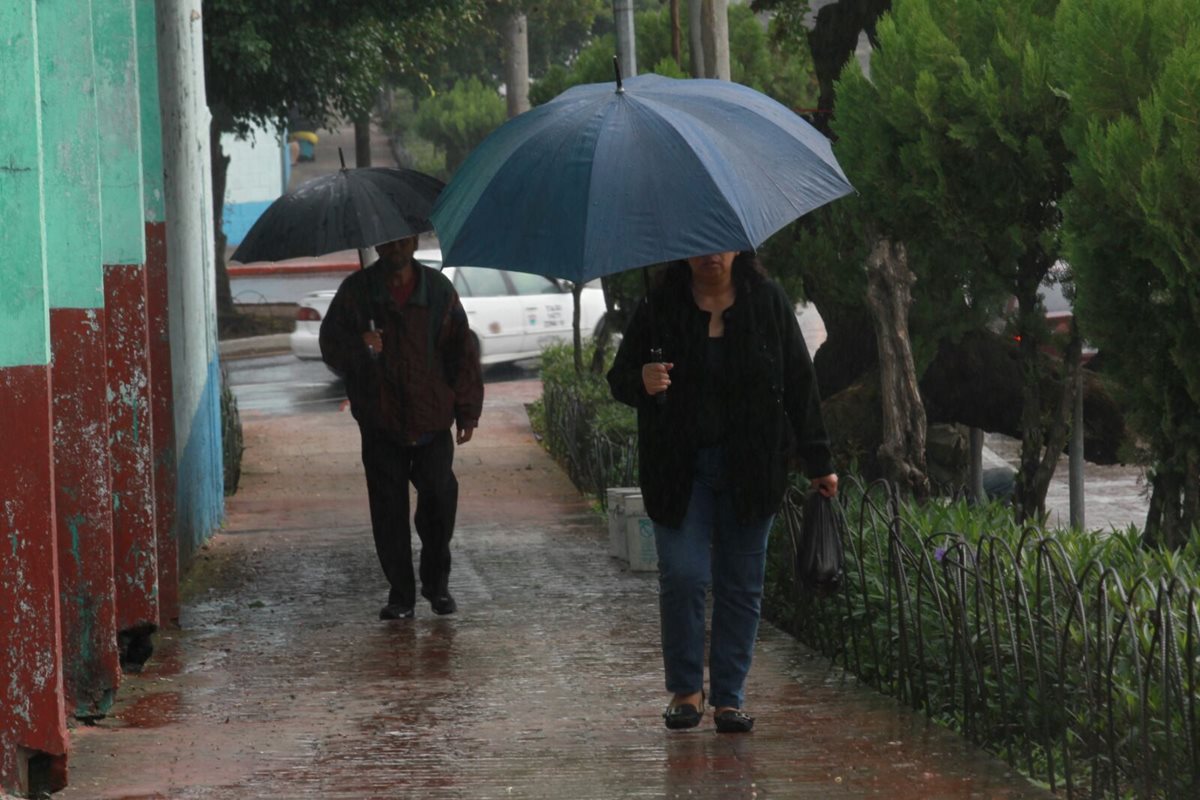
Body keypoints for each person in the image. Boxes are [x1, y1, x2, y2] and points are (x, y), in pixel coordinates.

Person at [607, 250, 838, 733]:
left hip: (751, 468)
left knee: (740, 584)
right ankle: (686, 690)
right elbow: (620, 378)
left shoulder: (767, 303)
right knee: (684, 576)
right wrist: (643, 381)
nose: (711, 255)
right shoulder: (659, 306)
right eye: (699, 244)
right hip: (679, 471)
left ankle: (729, 698)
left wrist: (819, 461)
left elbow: (800, 381)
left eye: (722, 243)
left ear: (739, 249)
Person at [320, 236, 483, 620]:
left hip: (432, 420)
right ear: (377, 247)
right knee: (388, 512)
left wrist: (468, 410)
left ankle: (436, 586)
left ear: (412, 243)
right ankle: (401, 595)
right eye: (386, 243)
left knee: (439, 502)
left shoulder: (439, 291)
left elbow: (463, 352)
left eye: (401, 242)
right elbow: (331, 346)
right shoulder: (356, 293)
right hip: (381, 422)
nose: (394, 249)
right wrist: (361, 345)